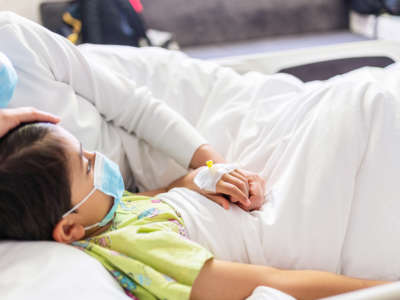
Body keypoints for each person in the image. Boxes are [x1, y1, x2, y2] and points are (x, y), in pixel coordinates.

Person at [0, 122, 390, 300]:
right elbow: (269, 281)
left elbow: (163, 194)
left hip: (238, 197)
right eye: (86, 165)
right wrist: (381, 292)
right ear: (68, 230)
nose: (99, 158)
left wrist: (204, 178)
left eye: (87, 148)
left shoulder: (104, 212)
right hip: (275, 227)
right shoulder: (136, 248)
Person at [0, 11, 266, 211]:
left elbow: (135, 107)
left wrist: (217, 167)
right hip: (121, 191)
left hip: (132, 116)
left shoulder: (12, 37)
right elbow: (78, 215)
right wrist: (175, 188)